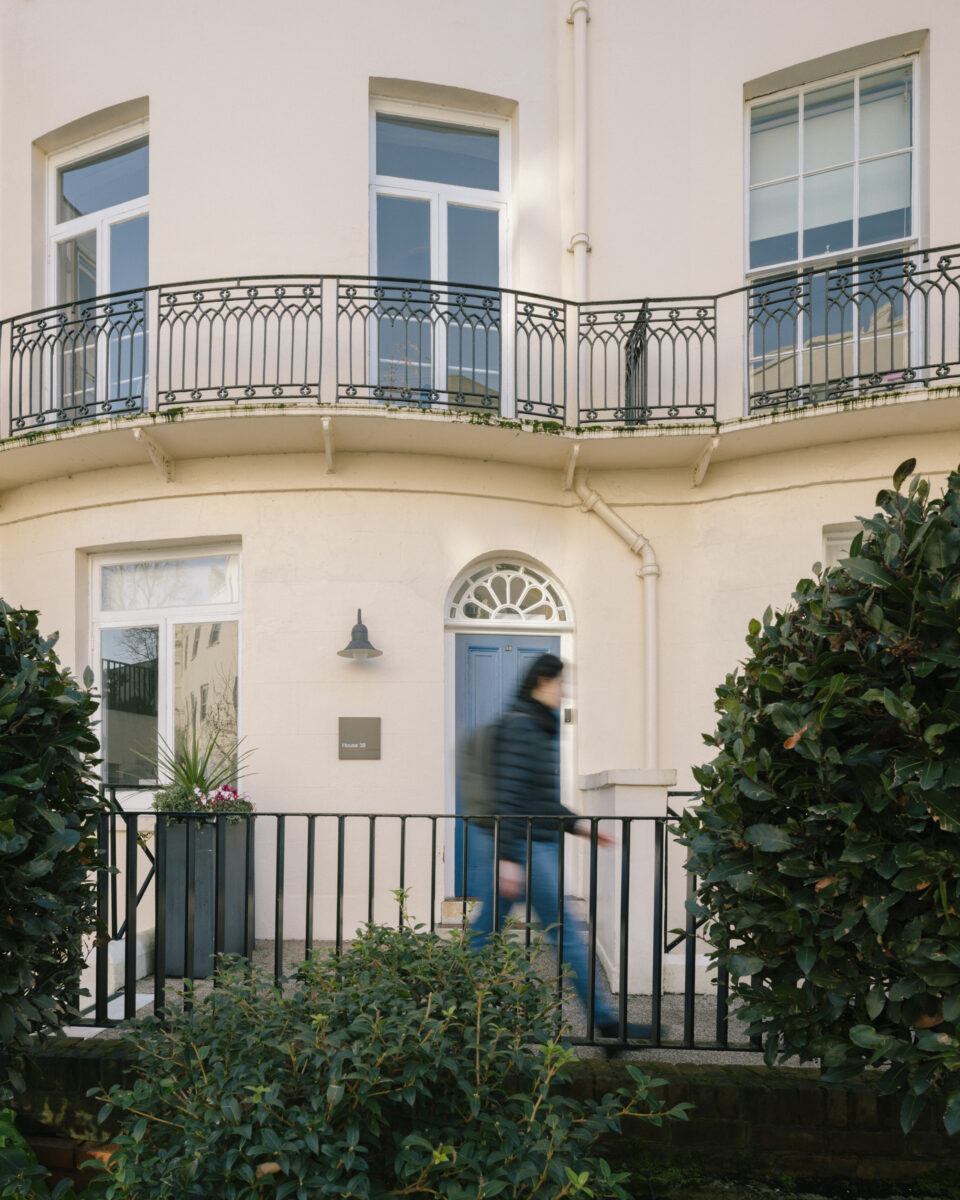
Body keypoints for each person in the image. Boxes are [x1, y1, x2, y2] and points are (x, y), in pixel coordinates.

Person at [468, 653, 657, 1041]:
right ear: (541, 681)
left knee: (485, 936)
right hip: (526, 847)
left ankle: (451, 1017)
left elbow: (538, 798)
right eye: (560, 684)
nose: (564, 692)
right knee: (561, 933)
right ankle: (605, 1022)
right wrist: (508, 858)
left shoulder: (536, 728)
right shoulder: (523, 728)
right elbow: (510, 796)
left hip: (527, 844)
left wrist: (582, 827)